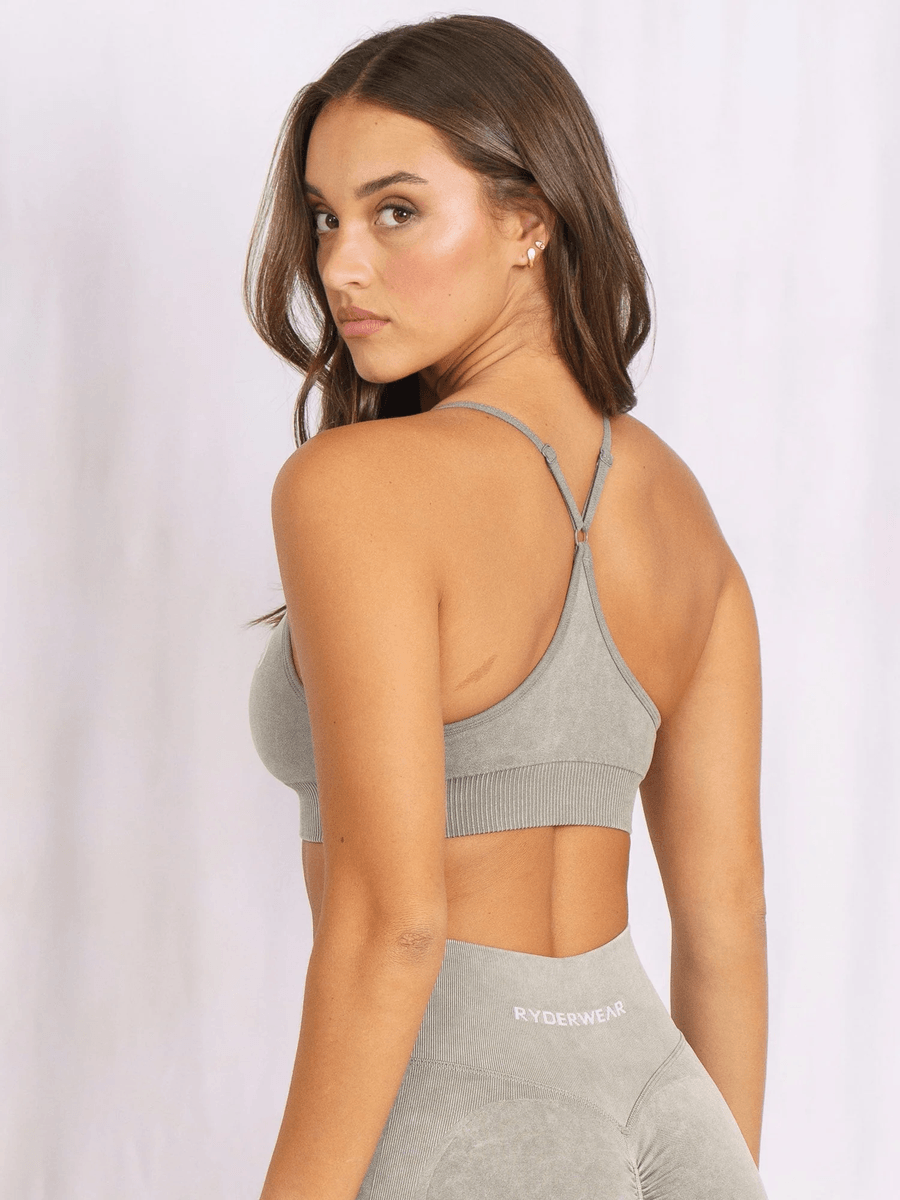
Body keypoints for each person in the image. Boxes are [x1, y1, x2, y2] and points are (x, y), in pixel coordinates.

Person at [246, 13, 768, 1200]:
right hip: (678, 1116)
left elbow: (394, 925)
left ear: (530, 221)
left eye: (394, 211)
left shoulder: (353, 488)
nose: (340, 266)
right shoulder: (681, 511)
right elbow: (727, 920)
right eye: (324, 217)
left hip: (465, 1115)